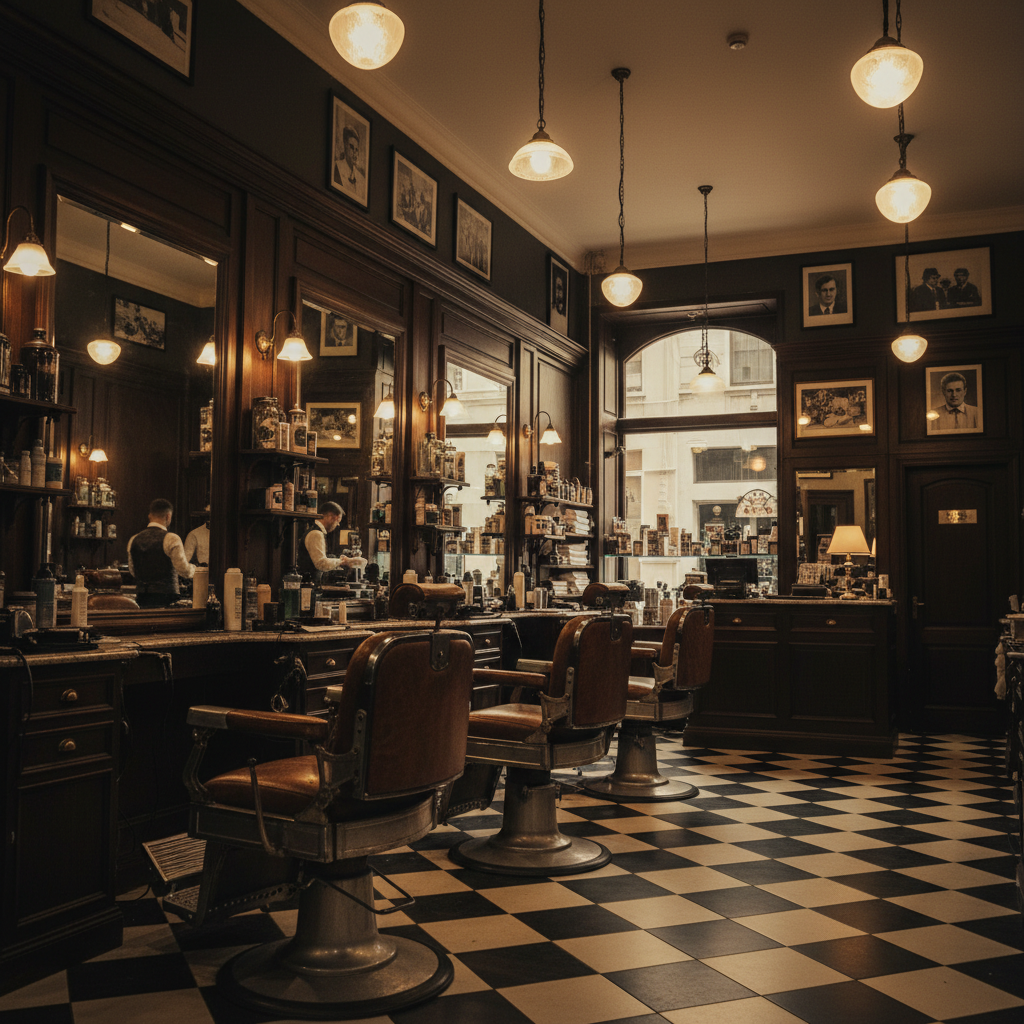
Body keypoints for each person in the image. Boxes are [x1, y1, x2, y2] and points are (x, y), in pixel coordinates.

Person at [127, 498, 195, 608]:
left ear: (150, 516)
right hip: (168, 600)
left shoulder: (133, 539)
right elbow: (184, 570)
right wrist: (197, 570)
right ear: (168, 516)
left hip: (142, 598)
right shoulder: (171, 539)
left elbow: (133, 571)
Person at [298, 501, 367, 582]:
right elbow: (321, 563)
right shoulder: (316, 533)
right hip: (308, 584)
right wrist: (344, 562)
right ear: (331, 517)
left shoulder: (316, 532)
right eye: (338, 521)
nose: (337, 525)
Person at [333, 125, 365, 201]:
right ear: (345, 146)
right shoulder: (336, 166)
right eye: (351, 147)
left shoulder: (362, 179)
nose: (354, 152)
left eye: (356, 150)